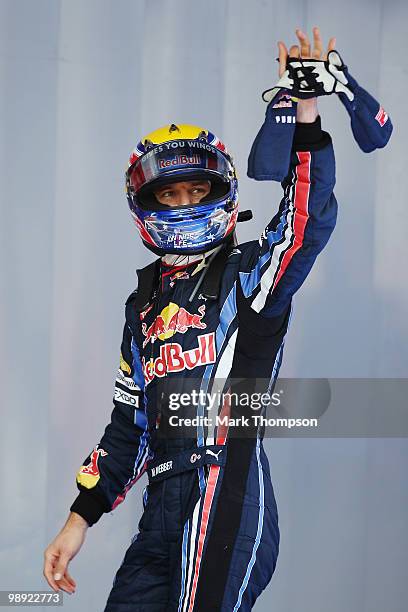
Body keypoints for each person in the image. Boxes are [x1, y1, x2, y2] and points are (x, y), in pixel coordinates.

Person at [44, 27, 338, 611]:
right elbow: (130, 427)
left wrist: (306, 112)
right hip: (162, 502)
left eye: (196, 189)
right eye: (169, 194)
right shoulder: (142, 305)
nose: (183, 205)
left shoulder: (251, 273)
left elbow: (306, 219)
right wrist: (80, 519)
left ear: (222, 191)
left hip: (225, 484)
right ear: (146, 204)